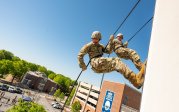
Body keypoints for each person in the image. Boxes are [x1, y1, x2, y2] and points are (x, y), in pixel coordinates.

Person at [77, 31, 145, 89]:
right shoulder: (88, 45)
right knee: (116, 61)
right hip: (95, 62)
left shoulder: (101, 46)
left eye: (96, 38)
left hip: (100, 65)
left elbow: (108, 51)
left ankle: (135, 81)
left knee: (118, 65)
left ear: (99, 39)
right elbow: (80, 55)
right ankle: (136, 80)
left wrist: (110, 41)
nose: (94, 40)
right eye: (93, 38)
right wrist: (83, 65)